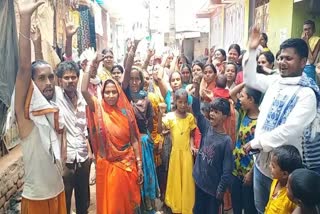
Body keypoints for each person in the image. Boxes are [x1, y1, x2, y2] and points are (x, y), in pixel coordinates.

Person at [243, 26, 318, 214]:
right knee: (263, 209)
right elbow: (250, 79)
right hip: (262, 163)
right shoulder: (276, 81)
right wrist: (252, 50)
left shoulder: (306, 94)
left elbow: (289, 130)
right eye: (281, 57)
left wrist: (258, 142)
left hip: (285, 173)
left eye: (289, 58)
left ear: (303, 62)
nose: (282, 62)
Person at [14, 1, 66, 213]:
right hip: (37, 200)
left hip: (58, 192)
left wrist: (38, 45)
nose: (48, 82)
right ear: (31, 85)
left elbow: (40, 71)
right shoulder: (26, 114)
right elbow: (27, 68)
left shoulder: (51, 107)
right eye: (42, 79)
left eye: (51, 78)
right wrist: (25, 18)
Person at [81, 56, 143, 214]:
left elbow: (135, 139)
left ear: (119, 93)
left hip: (127, 163)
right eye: (107, 92)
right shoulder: (98, 108)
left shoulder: (126, 113)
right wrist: (90, 64)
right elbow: (83, 90)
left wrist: (139, 165)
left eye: (114, 92)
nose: (110, 95)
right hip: (107, 164)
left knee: (127, 205)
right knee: (112, 206)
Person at [192, 74, 233, 214]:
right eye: (211, 111)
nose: (212, 115)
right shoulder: (206, 127)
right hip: (199, 182)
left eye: (216, 112)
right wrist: (197, 86)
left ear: (225, 117)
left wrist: (220, 190)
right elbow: (197, 111)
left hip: (213, 190)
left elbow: (227, 171)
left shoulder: (226, 141)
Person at [55, 61, 92, 214]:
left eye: (73, 77)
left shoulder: (84, 99)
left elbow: (87, 129)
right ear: (60, 80)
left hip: (83, 157)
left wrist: (91, 154)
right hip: (66, 160)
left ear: (78, 78)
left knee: (83, 201)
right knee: (64, 202)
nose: (70, 81)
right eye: (66, 78)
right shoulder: (56, 97)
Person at [158, 89, 197, 214]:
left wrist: (191, 146)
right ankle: (177, 206)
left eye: (185, 102)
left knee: (187, 180)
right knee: (176, 179)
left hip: (186, 154)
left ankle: (186, 206)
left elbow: (191, 134)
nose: (183, 105)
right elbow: (160, 130)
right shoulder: (170, 116)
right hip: (175, 154)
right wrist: (159, 115)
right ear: (175, 102)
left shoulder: (190, 117)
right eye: (180, 102)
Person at [231, 86, 261, 214]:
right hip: (236, 167)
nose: (239, 99)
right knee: (236, 204)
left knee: (249, 206)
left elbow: (261, 152)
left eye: (242, 96)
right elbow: (231, 93)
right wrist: (247, 81)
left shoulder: (261, 122)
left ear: (251, 99)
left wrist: (251, 173)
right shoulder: (244, 112)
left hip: (249, 172)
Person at [265, 145, 303, 214]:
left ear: (285, 174)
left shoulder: (291, 196)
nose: (269, 166)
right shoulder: (275, 181)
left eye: (273, 166)